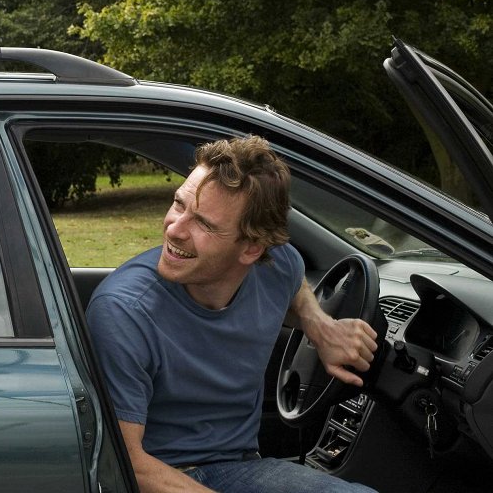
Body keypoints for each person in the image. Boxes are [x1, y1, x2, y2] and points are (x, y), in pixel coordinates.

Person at [86, 136, 378, 493]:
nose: (174, 229)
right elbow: (124, 463)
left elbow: (293, 282)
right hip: (165, 476)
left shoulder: (276, 264)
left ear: (252, 249)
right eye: (179, 204)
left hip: (242, 466)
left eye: (204, 224)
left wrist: (319, 325)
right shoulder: (124, 311)